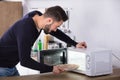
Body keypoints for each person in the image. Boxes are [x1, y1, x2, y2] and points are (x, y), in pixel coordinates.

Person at [0, 5, 87, 77]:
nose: (56, 29)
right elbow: (25, 61)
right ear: (49, 20)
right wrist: (51, 68)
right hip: (2, 68)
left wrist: (75, 44)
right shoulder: (26, 28)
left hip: (10, 66)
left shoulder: (37, 16)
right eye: (56, 26)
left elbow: (56, 33)